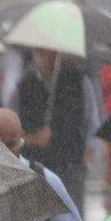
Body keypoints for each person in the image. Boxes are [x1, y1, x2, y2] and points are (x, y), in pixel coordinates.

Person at [16, 48, 94, 210]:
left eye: (56, 52)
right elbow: (12, 130)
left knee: (71, 216)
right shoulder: (25, 84)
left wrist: (89, 149)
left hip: (70, 163)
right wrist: (33, 139)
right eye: (47, 52)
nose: (53, 57)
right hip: (36, 166)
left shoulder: (77, 81)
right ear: (38, 52)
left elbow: (91, 118)